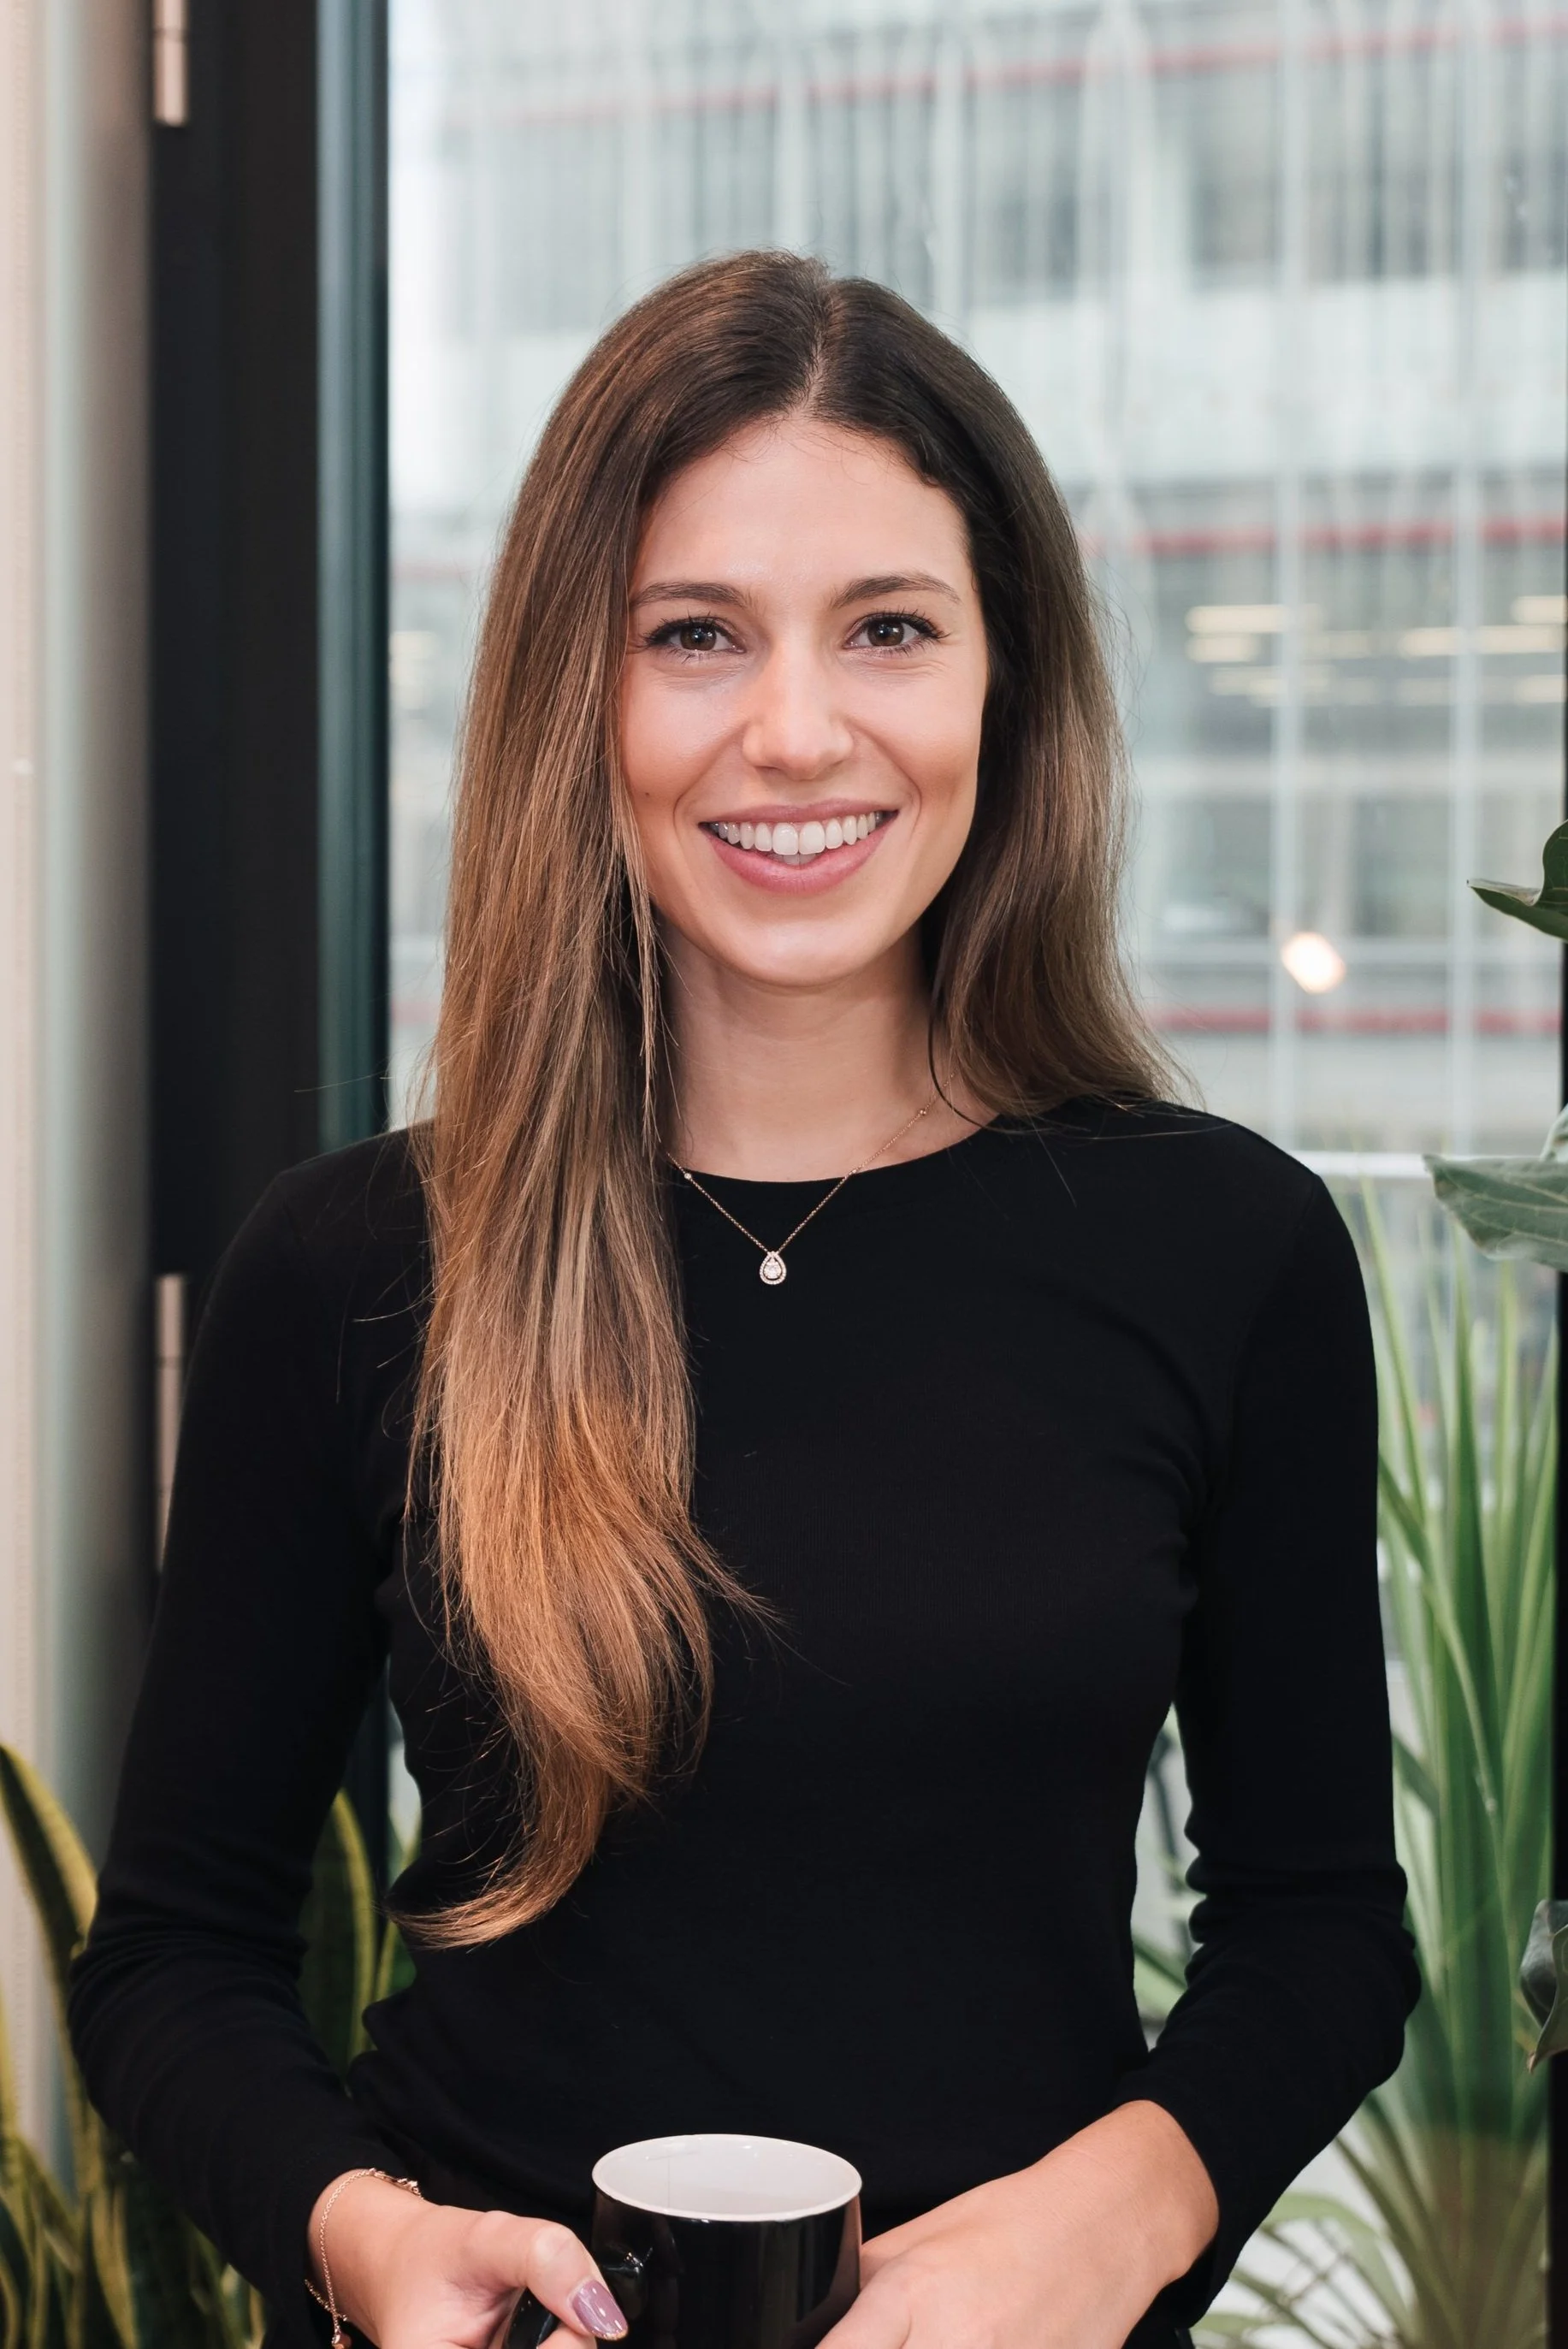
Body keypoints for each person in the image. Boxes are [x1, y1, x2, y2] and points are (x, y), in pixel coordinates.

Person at [69, 251, 1417, 2349]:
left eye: (889, 627)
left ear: (1004, 681)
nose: (798, 729)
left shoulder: (1222, 1246)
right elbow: (169, 1955)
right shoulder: (354, 1269)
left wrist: (1107, 2223)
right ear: (576, 704)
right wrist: (367, 2238)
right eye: (693, 636)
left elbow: (1321, 1925)